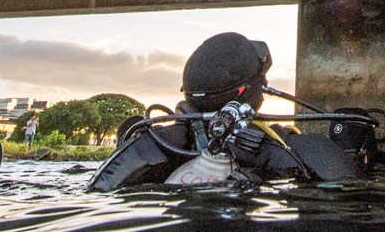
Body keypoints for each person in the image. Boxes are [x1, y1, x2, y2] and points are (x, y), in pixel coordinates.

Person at [87, 32, 360, 192]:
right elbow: (348, 200)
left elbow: (96, 192)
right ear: (256, 88)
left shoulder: (155, 143)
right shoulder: (297, 148)